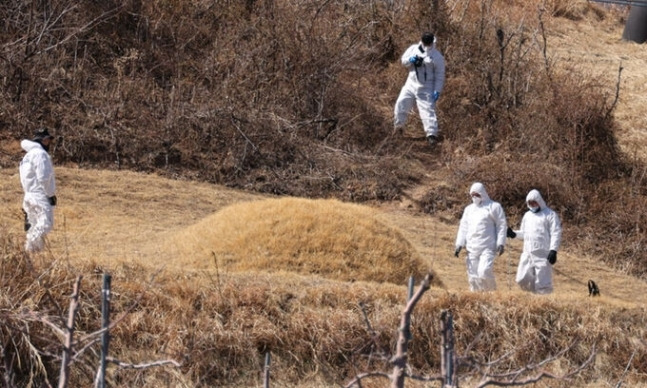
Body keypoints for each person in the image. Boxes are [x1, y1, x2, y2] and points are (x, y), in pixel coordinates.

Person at [393, 31, 446, 147]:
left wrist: (437, 90)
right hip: (411, 83)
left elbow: (440, 75)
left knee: (427, 111)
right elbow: (403, 61)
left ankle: (431, 135)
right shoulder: (413, 49)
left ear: (432, 42)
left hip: (426, 87)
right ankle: (398, 128)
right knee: (401, 103)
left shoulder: (437, 57)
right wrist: (411, 60)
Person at [507, 189, 562, 294]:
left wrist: (553, 250)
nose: (532, 204)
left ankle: (544, 303)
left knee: (542, 284)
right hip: (527, 253)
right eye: (529, 203)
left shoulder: (550, 215)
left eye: (534, 202)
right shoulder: (527, 216)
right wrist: (514, 234)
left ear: (539, 201)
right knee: (521, 279)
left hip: (542, 254)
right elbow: (524, 233)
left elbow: (556, 233)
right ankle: (532, 295)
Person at [454, 182, 507, 292]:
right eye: (472, 195)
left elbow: (501, 225)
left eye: (476, 194)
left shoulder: (494, 207)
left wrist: (501, 243)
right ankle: (477, 297)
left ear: (482, 193)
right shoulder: (469, 209)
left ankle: (492, 294)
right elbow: (463, 227)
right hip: (472, 248)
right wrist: (459, 244)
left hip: (487, 247)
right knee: (473, 277)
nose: (474, 197)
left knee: (484, 271)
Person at [19, 128, 57, 253]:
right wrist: (50, 195)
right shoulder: (40, 154)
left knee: (34, 225)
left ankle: (33, 256)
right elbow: (44, 177)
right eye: (47, 140)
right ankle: (29, 247)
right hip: (39, 195)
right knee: (46, 223)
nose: (48, 143)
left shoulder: (27, 156)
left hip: (29, 194)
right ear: (42, 141)